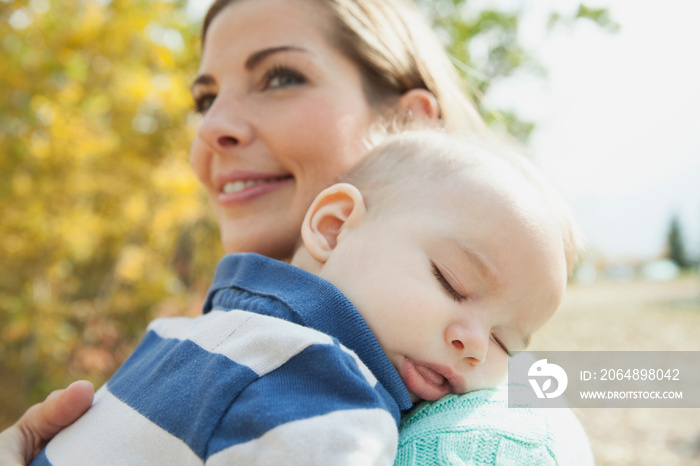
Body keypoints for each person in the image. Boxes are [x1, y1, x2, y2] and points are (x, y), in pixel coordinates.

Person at [0, 0, 595, 464]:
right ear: (333, 226)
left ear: (408, 124)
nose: (213, 128)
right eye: (204, 99)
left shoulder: (472, 437)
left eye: (280, 77)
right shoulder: (220, 338)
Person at [30, 130, 581, 465]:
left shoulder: (186, 332)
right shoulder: (324, 385)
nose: (474, 344)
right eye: (451, 282)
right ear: (337, 226)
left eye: (508, 342)